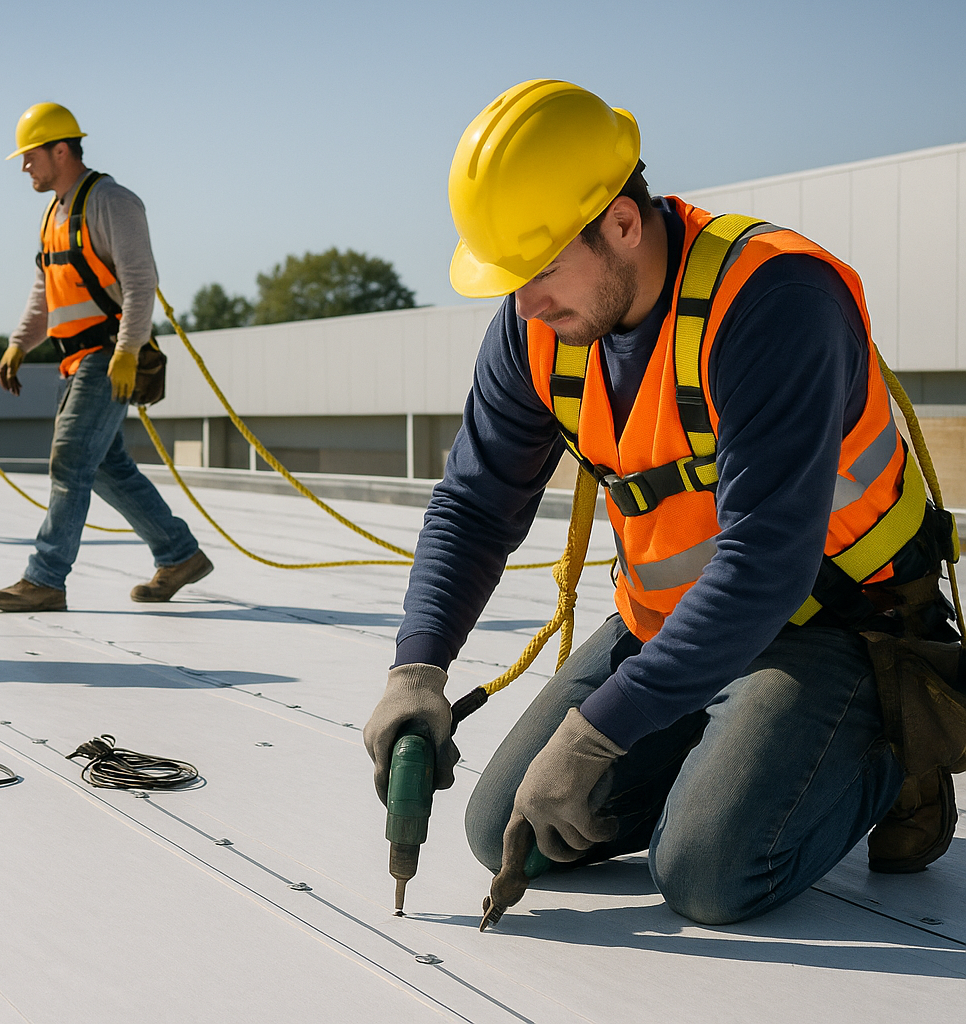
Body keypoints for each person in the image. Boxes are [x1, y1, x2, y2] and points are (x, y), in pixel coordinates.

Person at [363, 80, 958, 926]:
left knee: (709, 873)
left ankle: (896, 751)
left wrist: (598, 733)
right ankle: (735, 759)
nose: (523, 303)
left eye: (538, 270)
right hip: (667, 626)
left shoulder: (775, 301)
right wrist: (416, 669)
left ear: (621, 224)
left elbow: (765, 563)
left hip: (830, 620)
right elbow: (474, 504)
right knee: (508, 828)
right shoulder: (540, 323)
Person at [0, 103, 211, 613]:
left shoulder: (112, 202)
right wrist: (19, 344)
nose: (25, 167)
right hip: (74, 359)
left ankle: (45, 577)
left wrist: (128, 350)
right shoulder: (53, 214)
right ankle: (179, 555)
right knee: (107, 467)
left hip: (107, 356)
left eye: (30, 156)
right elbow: (44, 295)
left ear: (60, 150)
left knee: (69, 458)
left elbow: (139, 283)